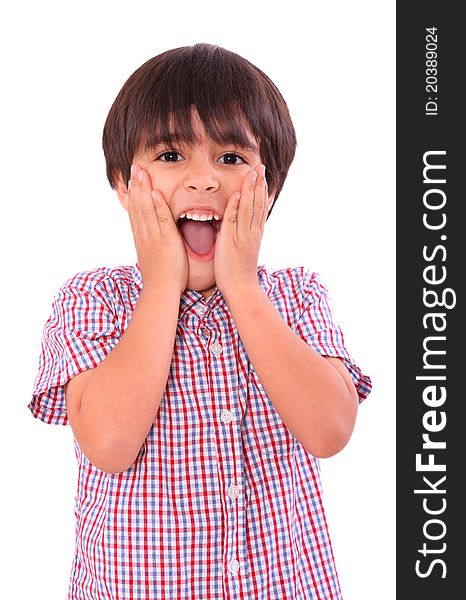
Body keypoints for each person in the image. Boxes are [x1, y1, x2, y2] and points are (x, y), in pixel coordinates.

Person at [29, 43, 372, 600]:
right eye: (170, 155)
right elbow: (110, 442)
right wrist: (162, 284)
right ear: (122, 182)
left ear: (271, 187)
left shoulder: (296, 295)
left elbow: (330, 430)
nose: (203, 179)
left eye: (231, 158)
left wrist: (241, 284)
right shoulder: (94, 298)